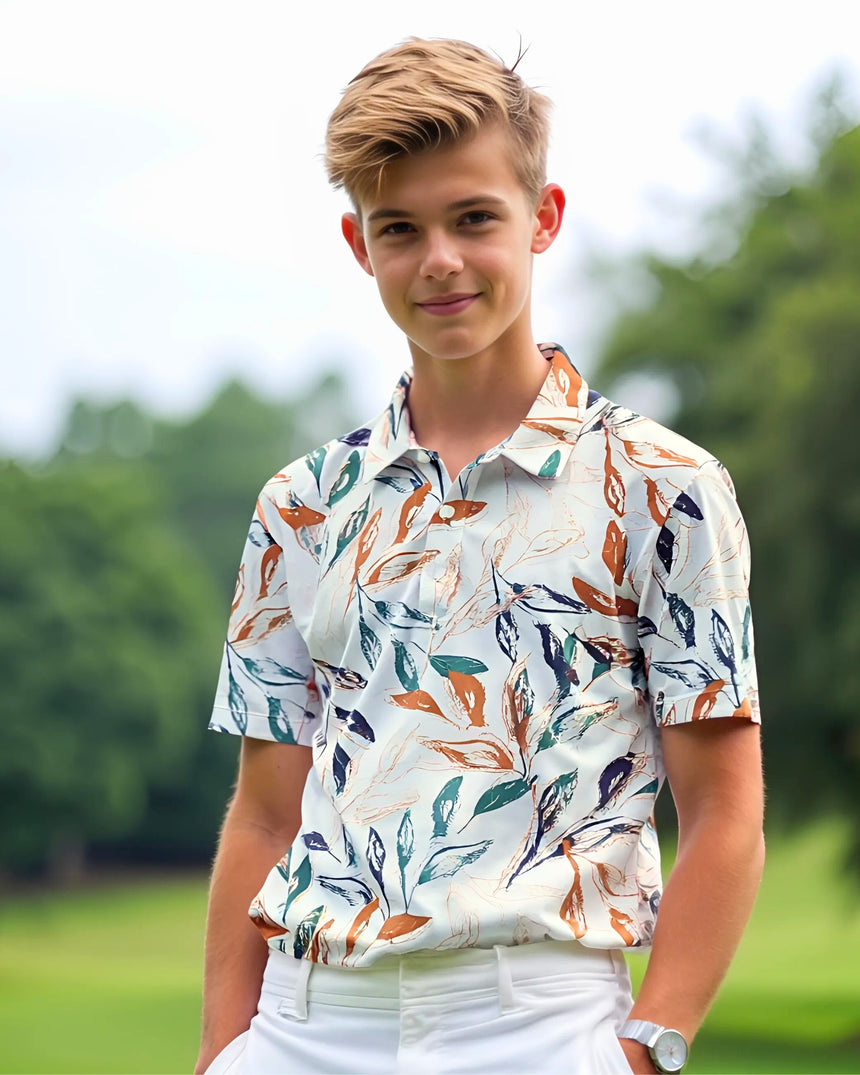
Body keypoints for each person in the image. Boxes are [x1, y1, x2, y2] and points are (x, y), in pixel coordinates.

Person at [195, 37, 764, 1075]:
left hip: (538, 1024)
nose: (439, 260)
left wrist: (646, 1050)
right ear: (357, 243)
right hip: (304, 1021)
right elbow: (266, 811)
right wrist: (220, 1052)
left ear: (542, 218)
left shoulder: (663, 485)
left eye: (473, 219)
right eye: (399, 229)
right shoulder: (300, 506)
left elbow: (724, 810)